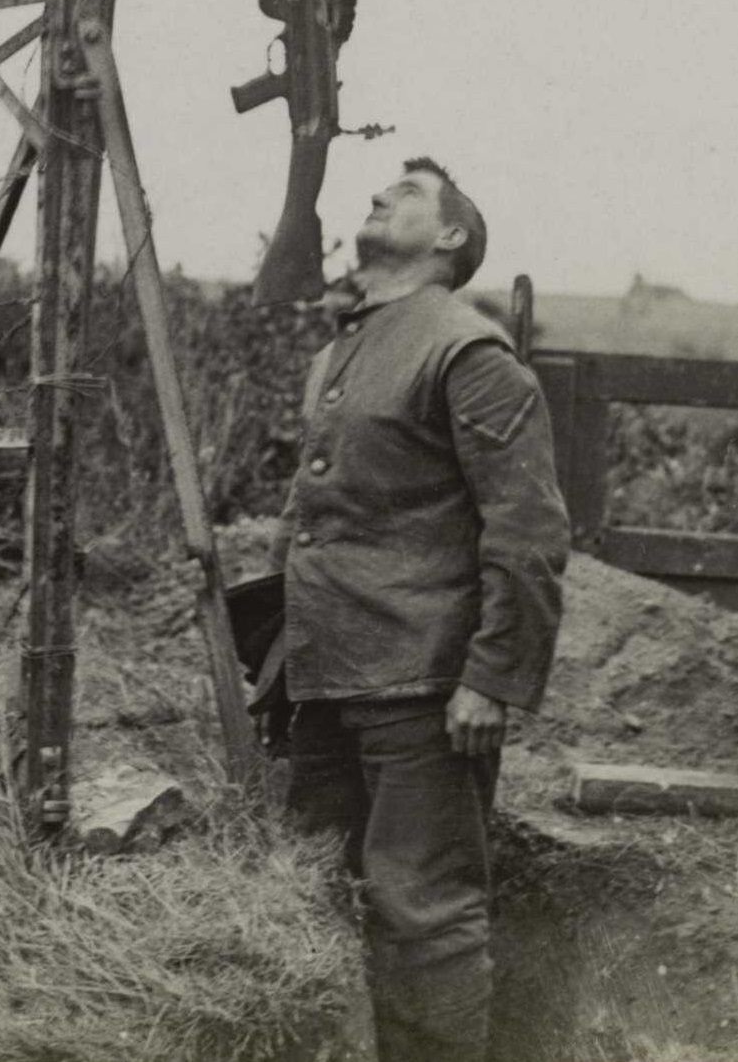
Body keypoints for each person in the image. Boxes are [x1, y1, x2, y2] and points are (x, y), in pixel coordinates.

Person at [272, 157, 570, 1062]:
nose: (378, 194)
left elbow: (527, 526)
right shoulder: (340, 348)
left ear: (450, 239)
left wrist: (490, 675)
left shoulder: (465, 349)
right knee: (320, 891)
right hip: (325, 676)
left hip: (422, 687)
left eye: (407, 192)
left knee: (422, 912)